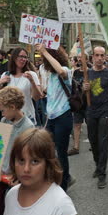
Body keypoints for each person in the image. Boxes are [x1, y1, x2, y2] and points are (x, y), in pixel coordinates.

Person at [4, 128, 78, 215]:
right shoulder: (11, 195)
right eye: (21, 160)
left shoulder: (61, 205)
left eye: (35, 161)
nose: (26, 169)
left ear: (47, 163)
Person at [0, 86, 34, 215]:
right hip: (2, 170)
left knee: (18, 205)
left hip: (17, 174)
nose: (2, 114)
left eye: (3, 110)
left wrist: (20, 175)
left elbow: (28, 156)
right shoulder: (5, 120)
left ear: (13, 107)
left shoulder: (28, 127)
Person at [37, 43, 74, 191]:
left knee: (61, 152)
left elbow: (60, 70)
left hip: (63, 117)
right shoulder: (51, 75)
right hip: (51, 118)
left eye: (46, 58)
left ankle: (64, 185)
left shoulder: (65, 70)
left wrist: (45, 52)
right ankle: (56, 178)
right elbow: (47, 94)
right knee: (47, 150)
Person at [82, 46, 108, 189]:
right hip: (91, 112)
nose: (99, 58)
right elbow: (83, 95)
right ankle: (98, 165)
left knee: (103, 142)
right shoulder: (87, 73)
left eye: (102, 55)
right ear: (92, 57)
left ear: (105, 57)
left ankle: (102, 173)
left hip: (105, 111)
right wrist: (84, 89)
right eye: (97, 55)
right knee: (93, 141)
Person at [0, 47, 43, 125]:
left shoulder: (31, 74)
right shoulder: (5, 75)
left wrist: (32, 81)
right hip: (9, 119)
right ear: (14, 58)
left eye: (25, 57)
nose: (23, 59)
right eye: (21, 56)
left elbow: (37, 97)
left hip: (27, 117)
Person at [68, 55, 91, 156]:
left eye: (82, 57)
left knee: (91, 125)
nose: (80, 59)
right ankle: (76, 147)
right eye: (79, 58)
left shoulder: (91, 71)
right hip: (78, 103)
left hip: (88, 102)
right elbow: (73, 86)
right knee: (77, 125)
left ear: (86, 59)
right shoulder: (76, 72)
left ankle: (92, 144)